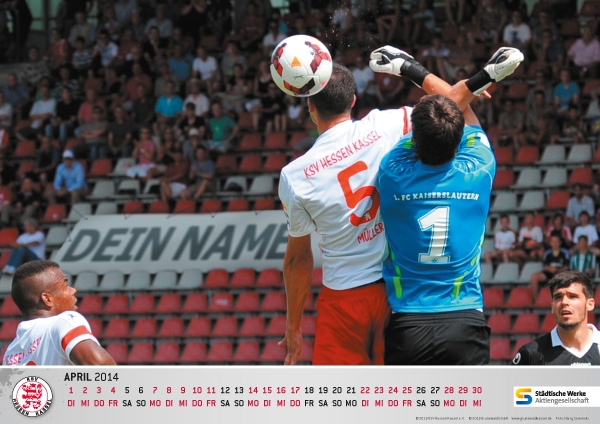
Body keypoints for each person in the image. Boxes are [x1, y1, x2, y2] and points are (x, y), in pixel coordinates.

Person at [278, 45, 523, 365]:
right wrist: (467, 84)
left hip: (344, 295)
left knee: (340, 395)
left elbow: (298, 261)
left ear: (310, 106)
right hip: (394, 295)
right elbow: (446, 107)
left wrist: (293, 326)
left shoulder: (295, 176)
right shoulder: (387, 128)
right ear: (354, 100)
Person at [377, 47, 523, 366]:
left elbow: (451, 109)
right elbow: (456, 105)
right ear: (458, 142)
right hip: (465, 320)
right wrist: (474, 81)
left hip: (407, 324)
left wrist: (413, 69)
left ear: (414, 139)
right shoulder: (479, 168)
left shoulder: (392, 173)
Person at [2, 260, 116, 366]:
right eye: (65, 286)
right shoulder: (64, 322)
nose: (73, 290)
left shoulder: (10, 353)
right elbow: (100, 365)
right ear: (48, 299)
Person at [512, 270, 599, 365]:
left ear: (590, 304)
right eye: (558, 297)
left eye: (572, 296)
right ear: (552, 307)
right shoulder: (531, 354)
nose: (564, 302)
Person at [530, 231, 570, 302]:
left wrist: (557, 271)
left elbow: (566, 267)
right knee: (534, 277)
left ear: (560, 243)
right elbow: (545, 266)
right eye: (553, 242)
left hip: (560, 272)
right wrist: (550, 269)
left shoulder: (564, 252)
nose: (555, 244)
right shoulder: (547, 253)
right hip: (549, 272)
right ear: (550, 243)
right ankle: (536, 301)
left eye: (557, 242)